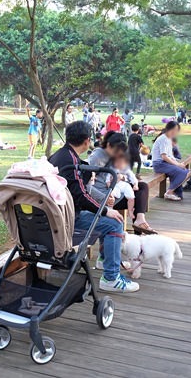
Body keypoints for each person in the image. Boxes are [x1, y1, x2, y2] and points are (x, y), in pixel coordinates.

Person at [49, 121, 139, 293]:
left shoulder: (58, 156)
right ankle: (111, 278)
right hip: (68, 219)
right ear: (86, 141)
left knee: (108, 220)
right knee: (114, 223)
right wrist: (105, 210)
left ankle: (104, 260)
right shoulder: (72, 162)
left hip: (55, 215)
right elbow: (80, 196)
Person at [88, 131, 154, 234]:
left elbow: (125, 172)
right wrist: (104, 196)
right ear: (109, 145)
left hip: (115, 190)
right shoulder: (97, 156)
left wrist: (122, 177)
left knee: (142, 186)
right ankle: (138, 229)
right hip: (104, 197)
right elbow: (87, 184)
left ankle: (140, 219)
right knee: (137, 198)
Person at [152, 121, 191, 201]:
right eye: (176, 130)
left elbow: (170, 156)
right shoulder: (164, 139)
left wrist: (179, 163)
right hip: (160, 164)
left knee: (186, 171)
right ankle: (169, 192)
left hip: (165, 163)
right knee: (185, 172)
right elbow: (164, 157)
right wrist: (177, 165)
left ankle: (175, 192)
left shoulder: (168, 139)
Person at [107, 153, 138, 222]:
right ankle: (110, 210)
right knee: (113, 196)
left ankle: (130, 211)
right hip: (114, 185)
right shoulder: (111, 169)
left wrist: (135, 185)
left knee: (131, 197)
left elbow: (133, 177)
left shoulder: (126, 169)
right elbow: (107, 180)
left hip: (124, 185)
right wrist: (110, 188)